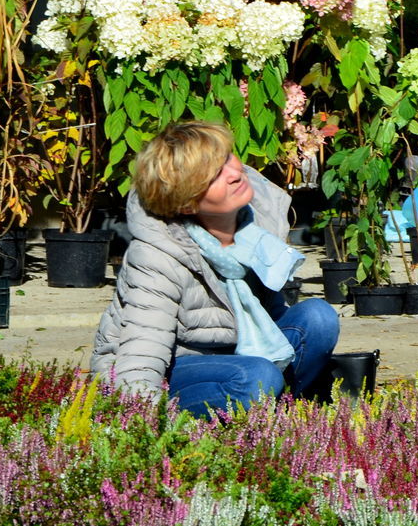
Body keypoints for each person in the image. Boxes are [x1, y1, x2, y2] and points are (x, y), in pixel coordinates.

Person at [91, 121, 339, 417]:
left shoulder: (255, 223)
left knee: (318, 317)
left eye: (227, 159)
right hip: (177, 366)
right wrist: (136, 418)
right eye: (213, 176)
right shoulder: (156, 252)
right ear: (185, 203)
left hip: (240, 353)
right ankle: (252, 403)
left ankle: (288, 413)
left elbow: (267, 318)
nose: (235, 174)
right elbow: (144, 346)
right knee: (256, 378)